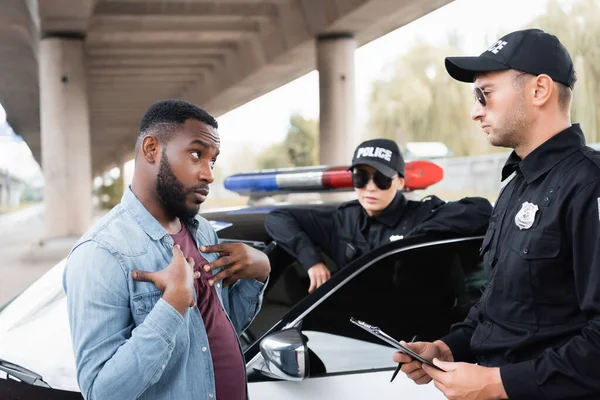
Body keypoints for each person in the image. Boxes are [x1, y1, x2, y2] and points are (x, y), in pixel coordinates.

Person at [395, 28, 600, 400]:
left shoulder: (590, 185)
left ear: (539, 90)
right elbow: (502, 304)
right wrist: (450, 347)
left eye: (484, 94)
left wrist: (499, 383)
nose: (475, 112)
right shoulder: (515, 186)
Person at [63, 99, 271, 400]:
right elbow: (101, 392)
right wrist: (172, 305)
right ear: (151, 149)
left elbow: (210, 334)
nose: (209, 174)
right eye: (197, 154)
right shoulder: (102, 252)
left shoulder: (204, 232)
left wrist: (259, 273)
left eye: (212, 160)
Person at [265, 138, 492, 293]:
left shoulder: (421, 213)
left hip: (415, 334)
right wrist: (312, 261)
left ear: (401, 182)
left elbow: (481, 210)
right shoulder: (343, 219)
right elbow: (277, 218)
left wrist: (419, 235)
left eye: (382, 179)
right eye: (360, 178)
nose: (370, 188)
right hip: (352, 334)